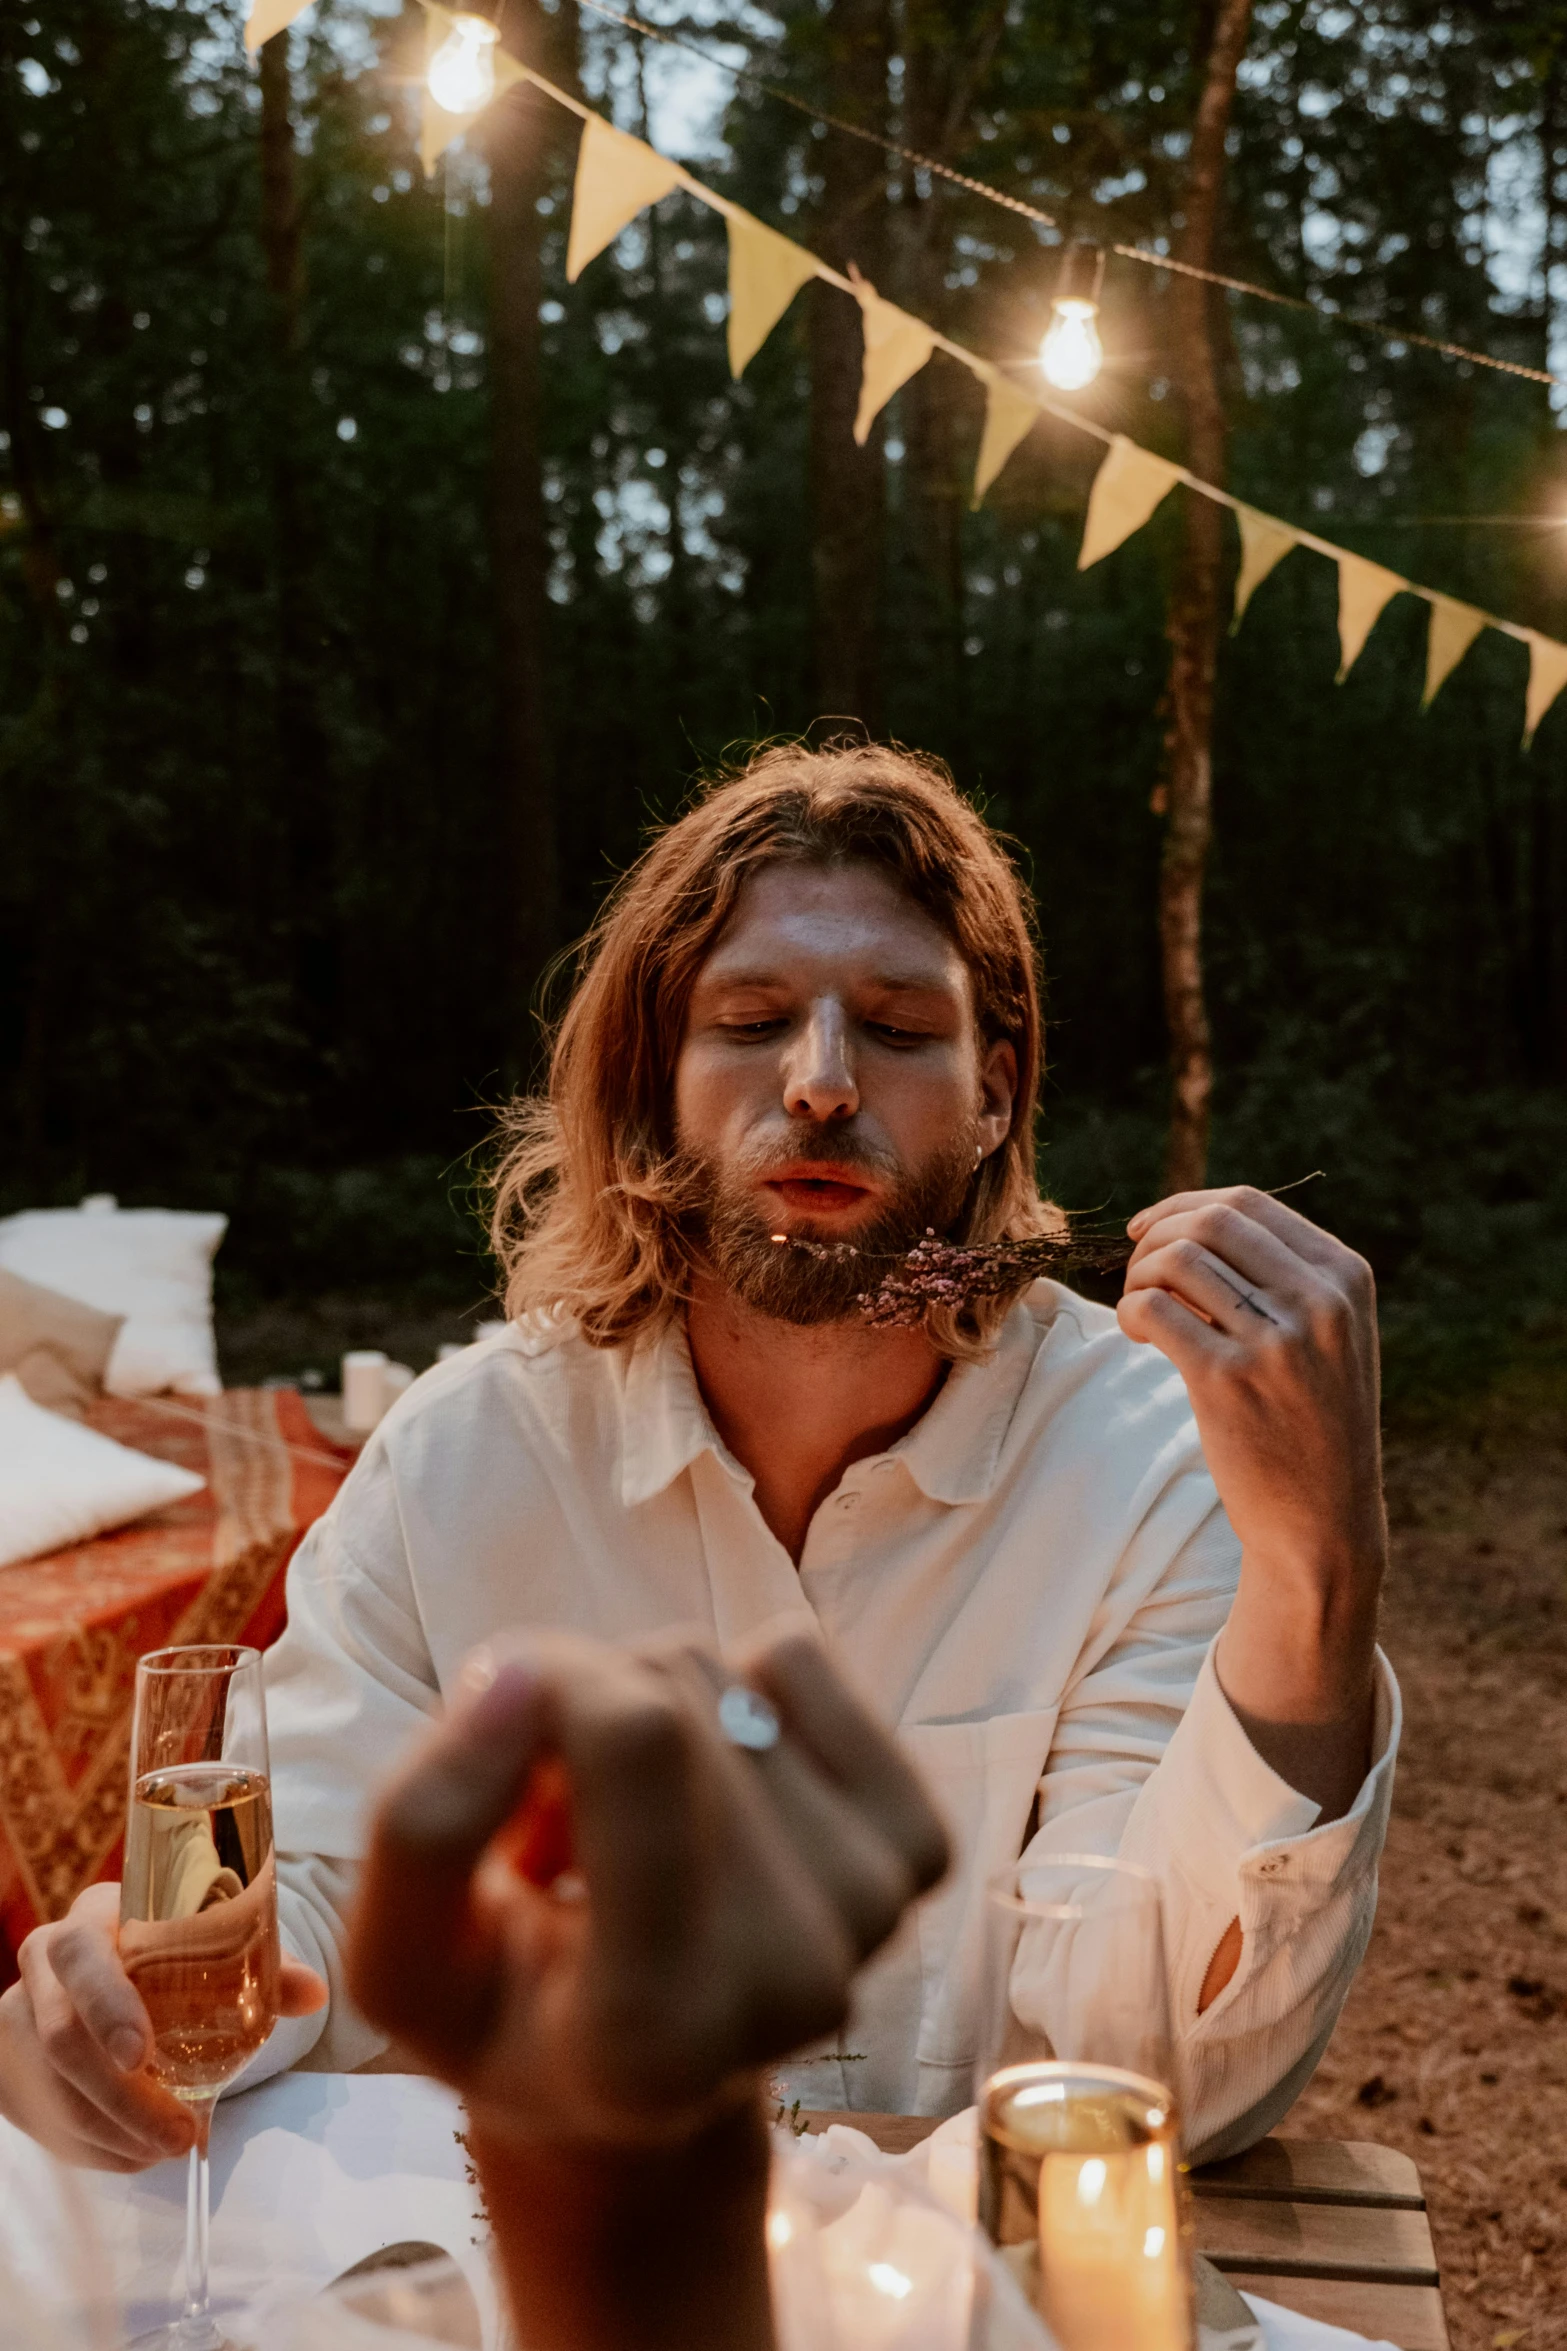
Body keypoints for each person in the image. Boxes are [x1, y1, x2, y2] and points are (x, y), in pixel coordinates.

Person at [0, 739, 1398, 2171]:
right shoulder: (467, 1451)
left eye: (901, 1027)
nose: (818, 1081)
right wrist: (143, 1963)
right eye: (748, 1017)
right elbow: (309, 1898)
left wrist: (1317, 1580)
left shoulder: (1144, 1460)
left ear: (993, 1089)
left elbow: (1162, 2067)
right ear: (654, 1076)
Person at [344, 1625, 951, 2351]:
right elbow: (299, 1853)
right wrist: (187, 1974)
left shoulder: (1112, 1530)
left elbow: (1087, 1949)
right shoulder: (414, 1517)